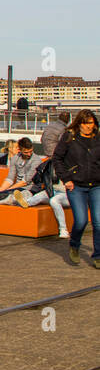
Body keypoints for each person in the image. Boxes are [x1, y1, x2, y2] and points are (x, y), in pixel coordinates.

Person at [51, 109, 100, 267]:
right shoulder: (69, 137)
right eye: (85, 123)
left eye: (90, 123)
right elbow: (57, 158)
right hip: (76, 185)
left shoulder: (98, 138)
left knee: (98, 222)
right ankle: (74, 245)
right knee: (81, 221)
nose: (88, 127)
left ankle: (98, 255)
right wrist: (66, 178)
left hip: (96, 185)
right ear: (79, 124)